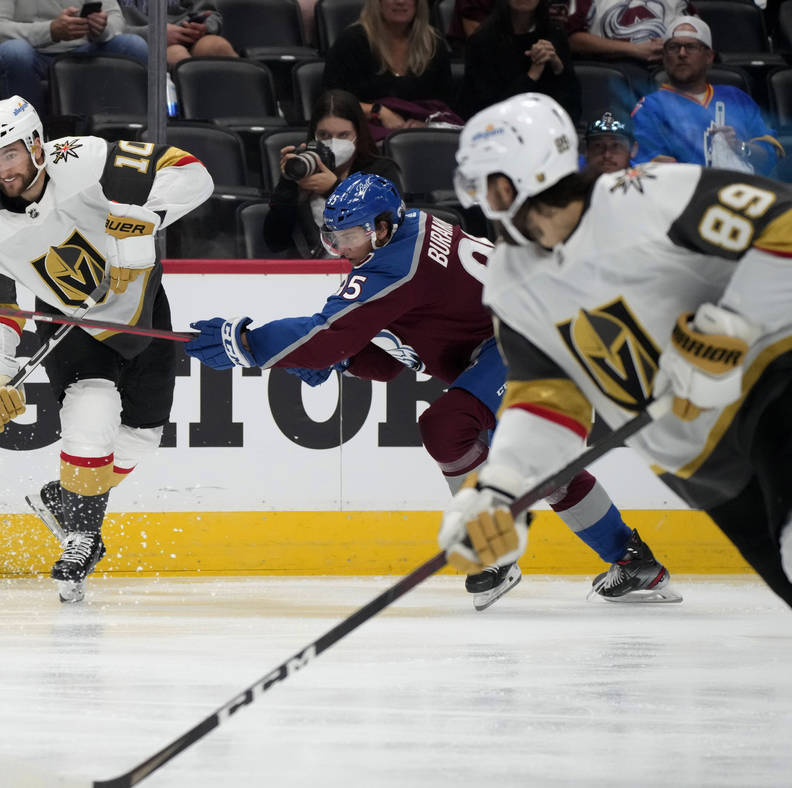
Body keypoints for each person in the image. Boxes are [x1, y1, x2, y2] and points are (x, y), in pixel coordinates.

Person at [184, 172, 678, 609]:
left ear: (380, 227)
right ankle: (635, 563)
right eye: (332, 238)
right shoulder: (410, 231)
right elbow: (391, 346)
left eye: (351, 236)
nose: (341, 249)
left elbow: (327, 332)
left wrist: (243, 342)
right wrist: (345, 361)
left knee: (447, 427)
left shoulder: (396, 266)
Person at [445, 91, 792, 609]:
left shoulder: (648, 196)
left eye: (485, 183)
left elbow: (782, 222)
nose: (477, 198)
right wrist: (502, 488)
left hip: (772, 394)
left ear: (525, 176)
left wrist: (733, 329)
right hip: (702, 470)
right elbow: (548, 397)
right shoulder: (510, 282)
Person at [0, 96, 213, 603]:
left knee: (141, 438)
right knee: (91, 411)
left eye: (10, 155)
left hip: (144, 312)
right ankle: (82, 537)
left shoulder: (84, 158)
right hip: (75, 325)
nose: (2, 170)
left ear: (36, 145)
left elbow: (190, 172)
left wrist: (145, 218)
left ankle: (65, 500)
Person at [631, 17, 783, 176]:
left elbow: (770, 155)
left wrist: (739, 146)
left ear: (709, 57)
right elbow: (645, 167)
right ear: (664, 57)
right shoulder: (649, 108)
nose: (682, 53)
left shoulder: (736, 98)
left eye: (691, 47)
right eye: (673, 47)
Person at [263, 89, 403, 258]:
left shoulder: (381, 171)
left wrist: (335, 190)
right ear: (313, 135)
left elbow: (391, 236)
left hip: (366, 272)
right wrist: (287, 187)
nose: (333, 142)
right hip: (309, 274)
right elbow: (274, 242)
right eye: (324, 135)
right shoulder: (302, 168)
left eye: (343, 135)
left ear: (358, 134)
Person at [0, 0, 149, 111]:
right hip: (29, 53)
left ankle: (142, 142)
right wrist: (50, 31)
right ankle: (31, 146)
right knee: (15, 53)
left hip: (83, 48)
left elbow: (115, 18)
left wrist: (102, 28)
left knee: (134, 46)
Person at [322, 0, 456, 137]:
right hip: (366, 136)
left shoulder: (433, 43)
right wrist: (377, 111)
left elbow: (445, 104)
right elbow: (333, 101)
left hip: (423, 137)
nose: (400, 2)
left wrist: (427, 124)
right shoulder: (352, 41)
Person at [458, 0, 581, 121]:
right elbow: (487, 111)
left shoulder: (555, 34)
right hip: (498, 132)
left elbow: (573, 110)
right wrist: (532, 75)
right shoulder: (483, 41)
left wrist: (558, 68)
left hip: (548, 128)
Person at [118, 0, 239, 65]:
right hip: (141, 41)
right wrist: (153, 34)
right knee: (177, 55)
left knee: (218, 47)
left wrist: (205, 26)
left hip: (188, 36)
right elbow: (108, 27)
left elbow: (211, 14)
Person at [581, 108, 636, 175]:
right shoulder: (569, 184)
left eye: (616, 145)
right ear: (586, 150)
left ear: (633, 149)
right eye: (598, 145)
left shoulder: (649, 183)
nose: (607, 155)